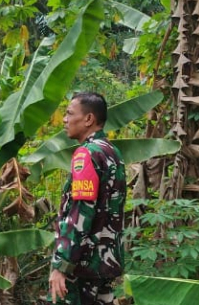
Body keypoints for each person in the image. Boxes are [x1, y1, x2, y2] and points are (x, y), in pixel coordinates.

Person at [48, 92, 126, 305]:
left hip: (81, 267)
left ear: (88, 119)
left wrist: (62, 266)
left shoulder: (86, 154)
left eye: (69, 113)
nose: (64, 119)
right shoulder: (112, 152)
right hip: (106, 264)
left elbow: (80, 214)